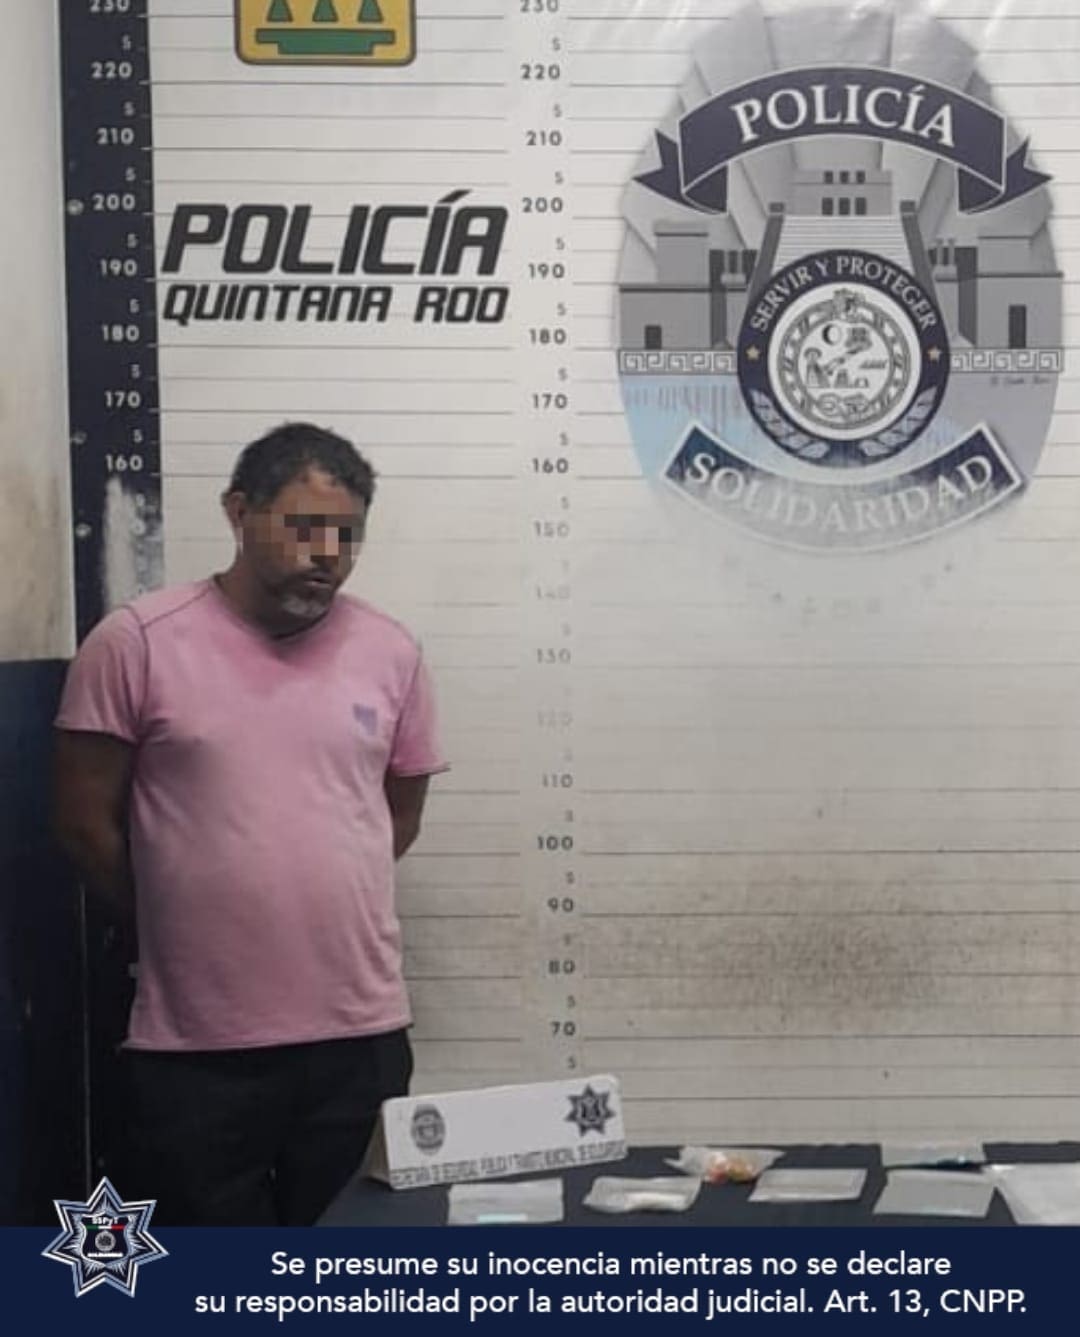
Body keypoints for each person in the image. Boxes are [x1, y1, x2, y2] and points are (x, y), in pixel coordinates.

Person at [52, 422, 447, 1225]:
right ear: (238, 511)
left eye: (347, 533)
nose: (326, 552)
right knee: (216, 1279)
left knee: (344, 1264)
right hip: (197, 1048)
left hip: (357, 1039)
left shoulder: (391, 652)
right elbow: (83, 823)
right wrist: (183, 914)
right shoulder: (136, 643)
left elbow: (393, 819)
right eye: (304, 526)